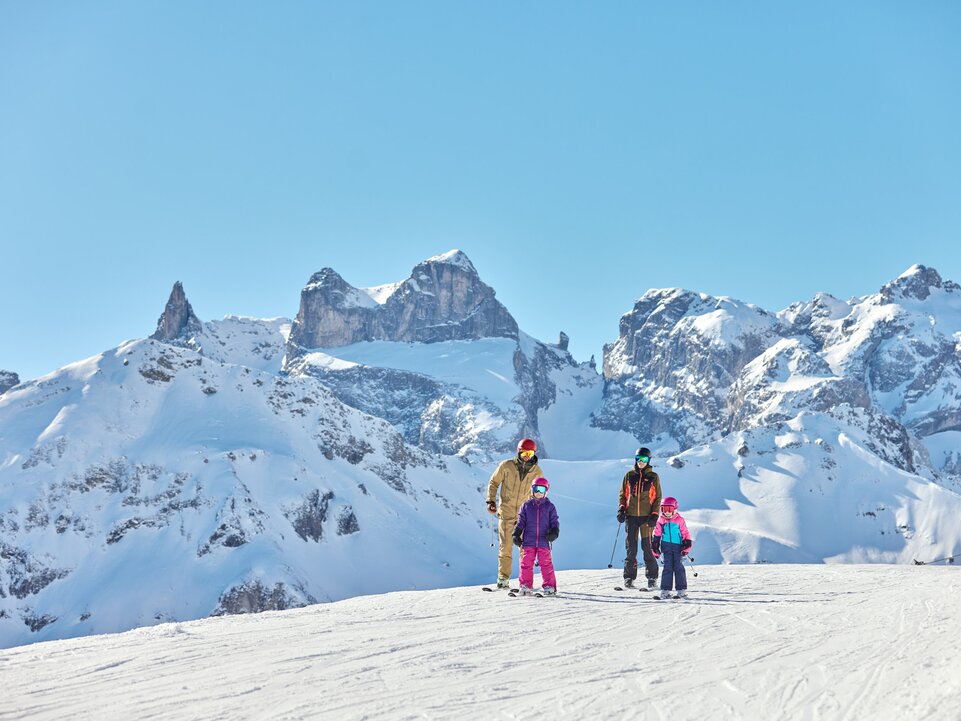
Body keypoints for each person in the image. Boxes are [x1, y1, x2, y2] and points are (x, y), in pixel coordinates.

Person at [486, 438, 544, 589]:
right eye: (524, 452)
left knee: (526, 549)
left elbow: (539, 493)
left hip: (525, 516)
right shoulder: (506, 466)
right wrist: (491, 501)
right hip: (506, 513)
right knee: (505, 547)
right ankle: (503, 579)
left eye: (530, 453)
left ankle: (525, 581)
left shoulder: (537, 471)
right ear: (518, 451)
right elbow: (494, 482)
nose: (527, 456)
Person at [616, 447, 662, 590]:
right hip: (631, 517)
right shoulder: (629, 475)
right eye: (638, 459)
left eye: (644, 460)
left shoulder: (653, 477)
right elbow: (623, 494)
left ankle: (652, 578)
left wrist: (655, 514)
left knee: (647, 547)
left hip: (647, 518)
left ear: (649, 460)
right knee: (631, 548)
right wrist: (622, 509)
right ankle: (629, 578)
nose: (641, 462)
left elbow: (658, 497)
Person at [512, 477, 560, 596]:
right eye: (536, 488)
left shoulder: (550, 507)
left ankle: (549, 586)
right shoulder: (526, 506)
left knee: (546, 564)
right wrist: (516, 533)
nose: (539, 492)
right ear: (532, 489)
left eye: (542, 489)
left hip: (544, 540)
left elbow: (554, 521)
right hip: (528, 541)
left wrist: (554, 531)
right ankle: (526, 585)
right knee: (526, 563)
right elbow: (521, 522)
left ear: (546, 491)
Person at [651, 496, 692, 599]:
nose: (667, 512)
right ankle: (665, 590)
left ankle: (681, 590)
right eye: (664, 509)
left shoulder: (679, 520)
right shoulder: (661, 520)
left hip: (678, 546)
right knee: (667, 567)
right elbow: (657, 533)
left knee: (678, 567)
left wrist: (686, 544)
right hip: (666, 546)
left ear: (675, 509)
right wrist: (655, 544)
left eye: (670, 509)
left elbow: (685, 532)